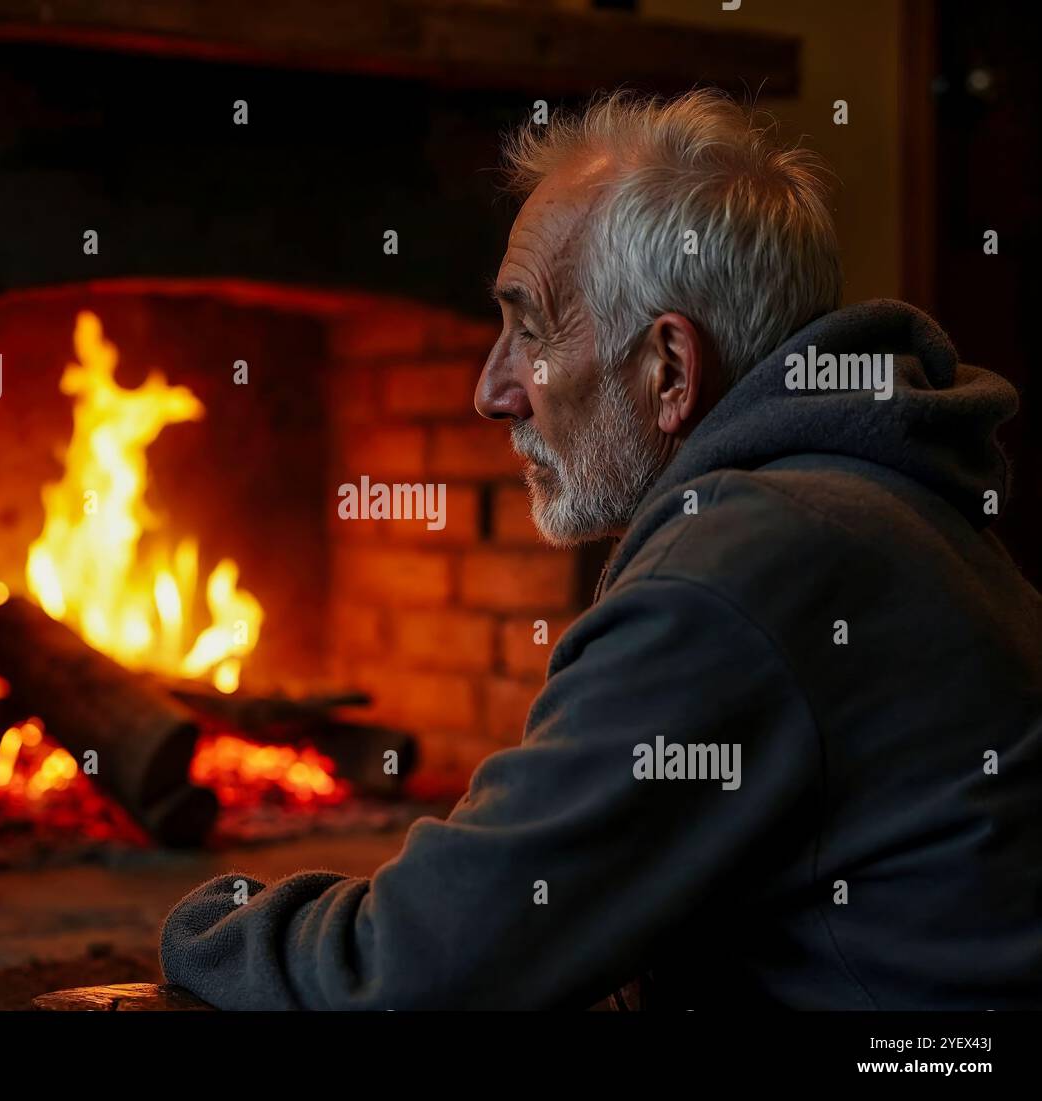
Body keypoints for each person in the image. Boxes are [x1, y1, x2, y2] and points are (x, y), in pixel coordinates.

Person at [160, 90, 1042, 1009]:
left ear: (669, 369)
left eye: (529, 329)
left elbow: (415, 970)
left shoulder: (744, 568)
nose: (490, 390)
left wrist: (210, 923)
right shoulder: (873, 509)